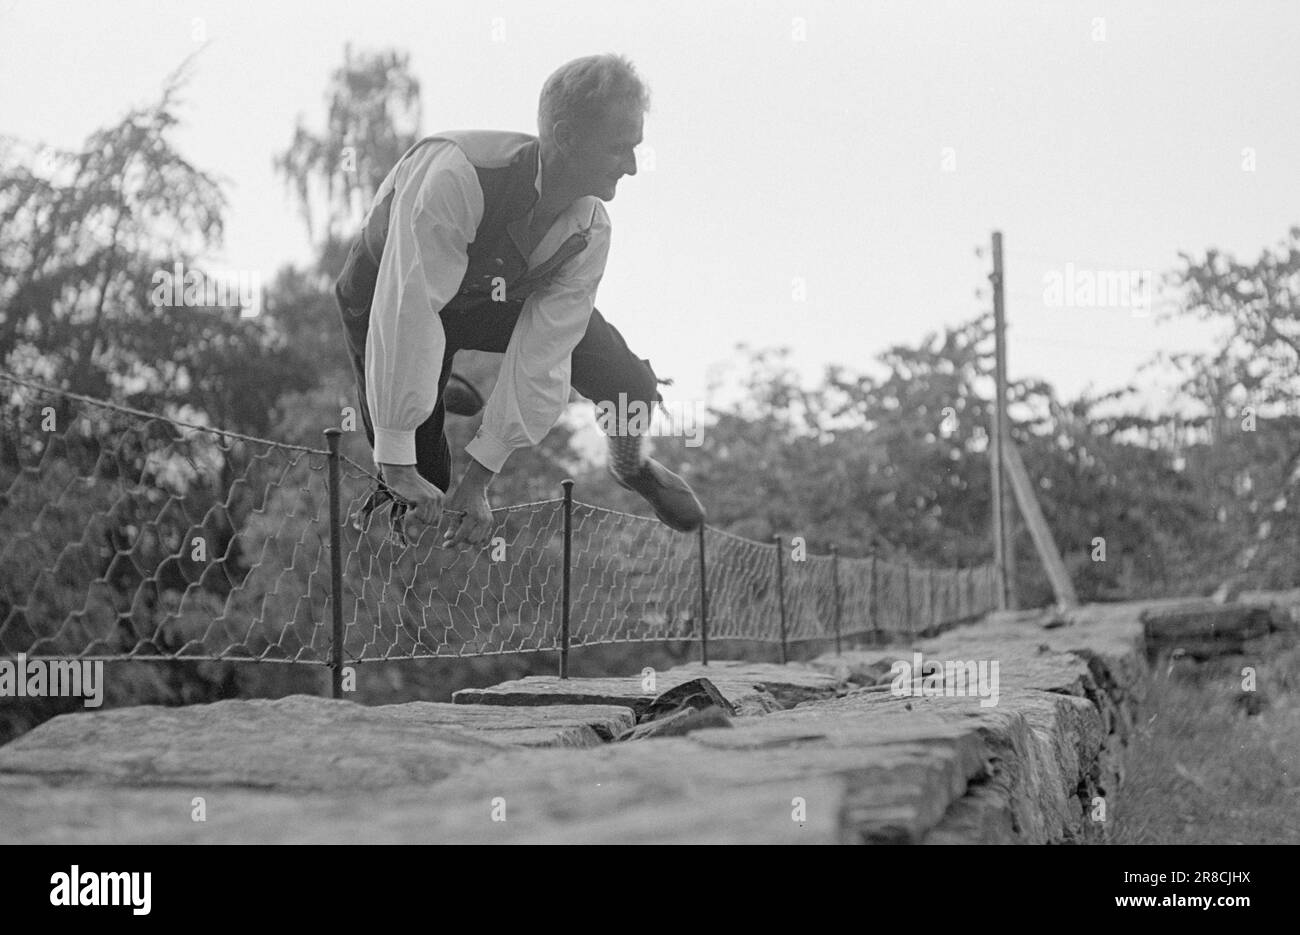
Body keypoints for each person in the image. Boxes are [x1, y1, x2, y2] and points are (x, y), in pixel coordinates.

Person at [334, 53, 704, 549]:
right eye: (620, 149)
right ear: (568, 137)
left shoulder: (590, 229)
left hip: (491, 298)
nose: (634, 167)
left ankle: (631, 466)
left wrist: (479, 482)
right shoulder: (457, 176)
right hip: (390, 292)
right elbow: (409, 313)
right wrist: (396, 463)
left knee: (628, 384)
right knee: (426, 485)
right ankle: (436, 392)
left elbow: (542, 356)